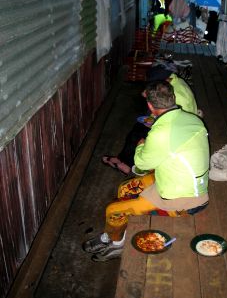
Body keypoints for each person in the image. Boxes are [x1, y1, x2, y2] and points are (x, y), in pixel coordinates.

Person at [83, 81, 210, 262]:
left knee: (113, 210)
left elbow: (140, 165)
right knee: (125, 190)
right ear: (173, 98)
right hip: (184, 183)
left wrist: (141, 146)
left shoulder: (160, 133)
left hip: (184, 201)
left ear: (150, 106)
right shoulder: (193, 119)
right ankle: (116, 236)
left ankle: (116, 243)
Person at [101, 65, 202, 175]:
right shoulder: (175, 81)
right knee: (138, 128)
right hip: (178, 120)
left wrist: (142, 143)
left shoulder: (178, 99)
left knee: (139, 135)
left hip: (178, 133)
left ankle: (129, 164)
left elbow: (172, 127)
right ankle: (122, 158)